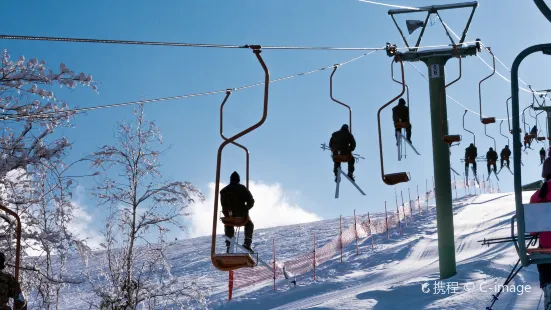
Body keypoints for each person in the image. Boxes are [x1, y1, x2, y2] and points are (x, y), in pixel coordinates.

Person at [529, 175, 551, 310]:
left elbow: (533, 230)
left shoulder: (538, 195)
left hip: (547, 245)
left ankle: (548, 284)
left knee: (543, 253)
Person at [220, 171, 255, 253]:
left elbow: (222, 203)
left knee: (228, 224)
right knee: (249, 224)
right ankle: (247, 244)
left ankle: (229, 246)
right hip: (241, 216)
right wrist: (246, 208)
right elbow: (251, 201)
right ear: (238, 180)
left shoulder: (223, 191)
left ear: (230, 180)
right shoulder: (242, 188)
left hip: (228, 216)